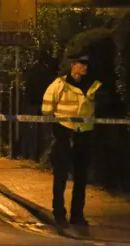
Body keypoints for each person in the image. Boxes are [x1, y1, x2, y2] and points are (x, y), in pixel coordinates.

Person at [41, 53, 102, 227]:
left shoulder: (92, 86)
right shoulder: (60, 85)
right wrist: (57, 129)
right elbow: (46, 108)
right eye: (81, 64)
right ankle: (59, 214)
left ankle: (77, 215)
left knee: (81, 179)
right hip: (64, 135)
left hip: (84, 136)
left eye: (86, 64)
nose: (85, 67)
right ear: (73, 65)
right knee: (60, 177)